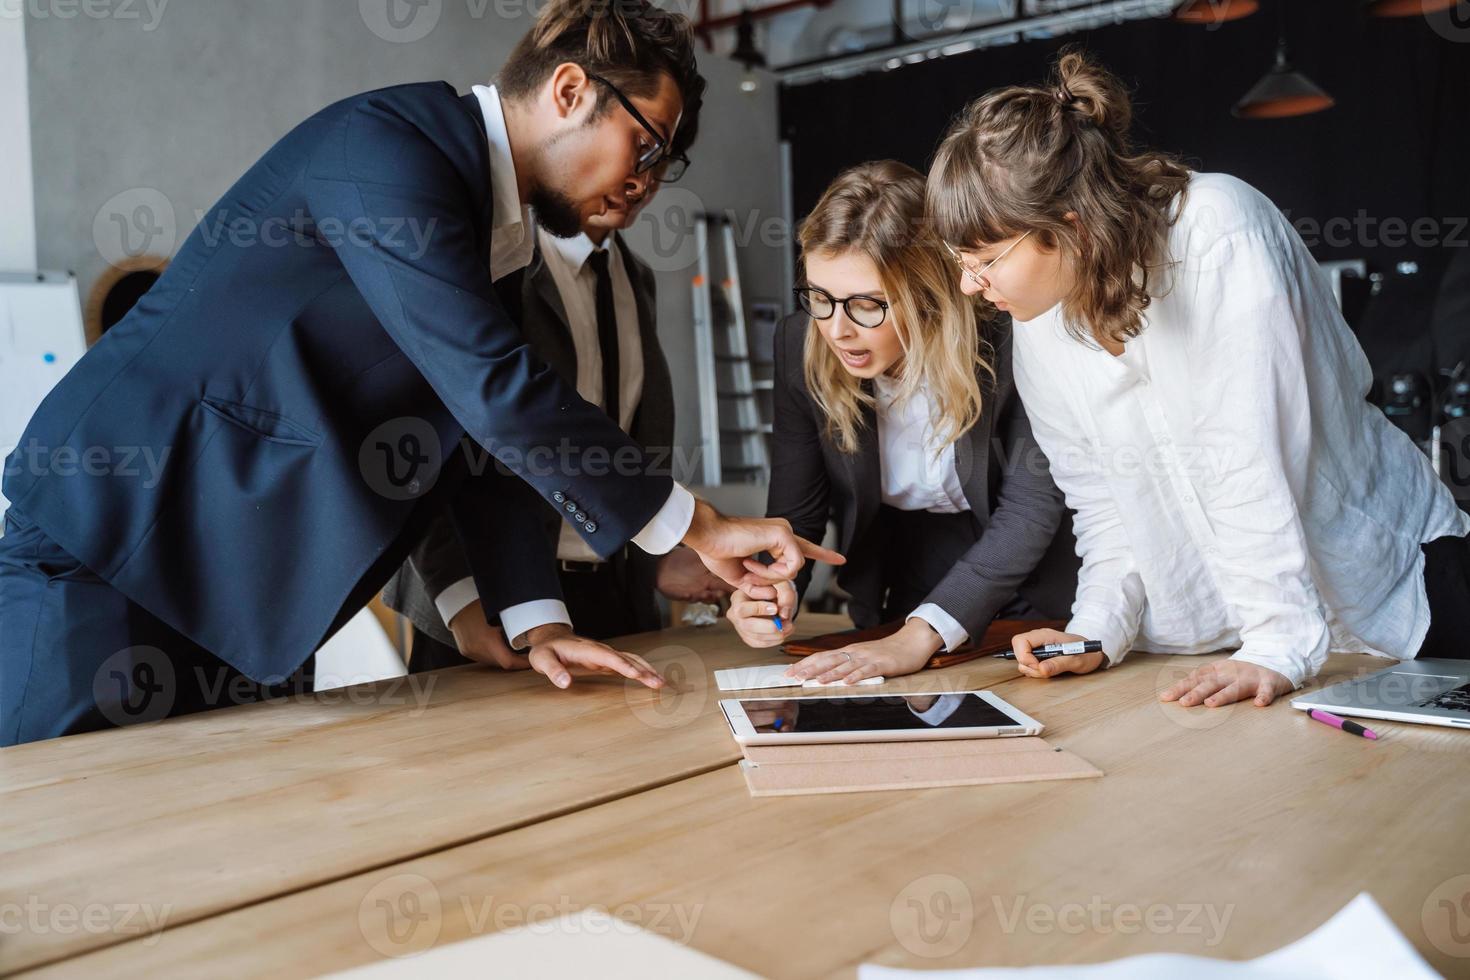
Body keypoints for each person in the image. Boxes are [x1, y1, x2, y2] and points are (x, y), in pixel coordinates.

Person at [0, 0, 839, 746]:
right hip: (111, 552)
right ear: (571, 90)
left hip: (246, 599)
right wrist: (695, 524)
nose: (647, 183)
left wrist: (533, 621)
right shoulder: (387, 151)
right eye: (646, 145)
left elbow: (478, 451)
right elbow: (493, 388)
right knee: (48, 849)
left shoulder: (489, 239)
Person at [924, 48, 1470, 709]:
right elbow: (1102, 501)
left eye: (983, 259)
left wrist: (1276, 644)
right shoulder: (1040, 320)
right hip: (1252, 644)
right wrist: (1096, 628)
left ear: (1066, 229)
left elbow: (1246, 454)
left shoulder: (1215, 231)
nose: (966, 284)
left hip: (1401, 596)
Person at [383, 122, 730, 671]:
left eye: (660, 165)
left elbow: (630, 440)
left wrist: (660, 557)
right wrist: (461, 599)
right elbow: (439, 436)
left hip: (615, 594)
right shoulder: (496, 261)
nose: (641, 182)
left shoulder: (638, 277)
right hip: (490, 600)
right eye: (634, 157)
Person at [726, 161, 1077, 685]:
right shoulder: (797, 343)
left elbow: (1031, 507)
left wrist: (921, 635)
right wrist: (772, 591)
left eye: (867, 305)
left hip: (1031, 579)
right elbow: (795, 513)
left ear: (928, 292)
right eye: (820, 298)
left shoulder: (1011, 336)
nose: (837, 330)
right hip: (899, 578)